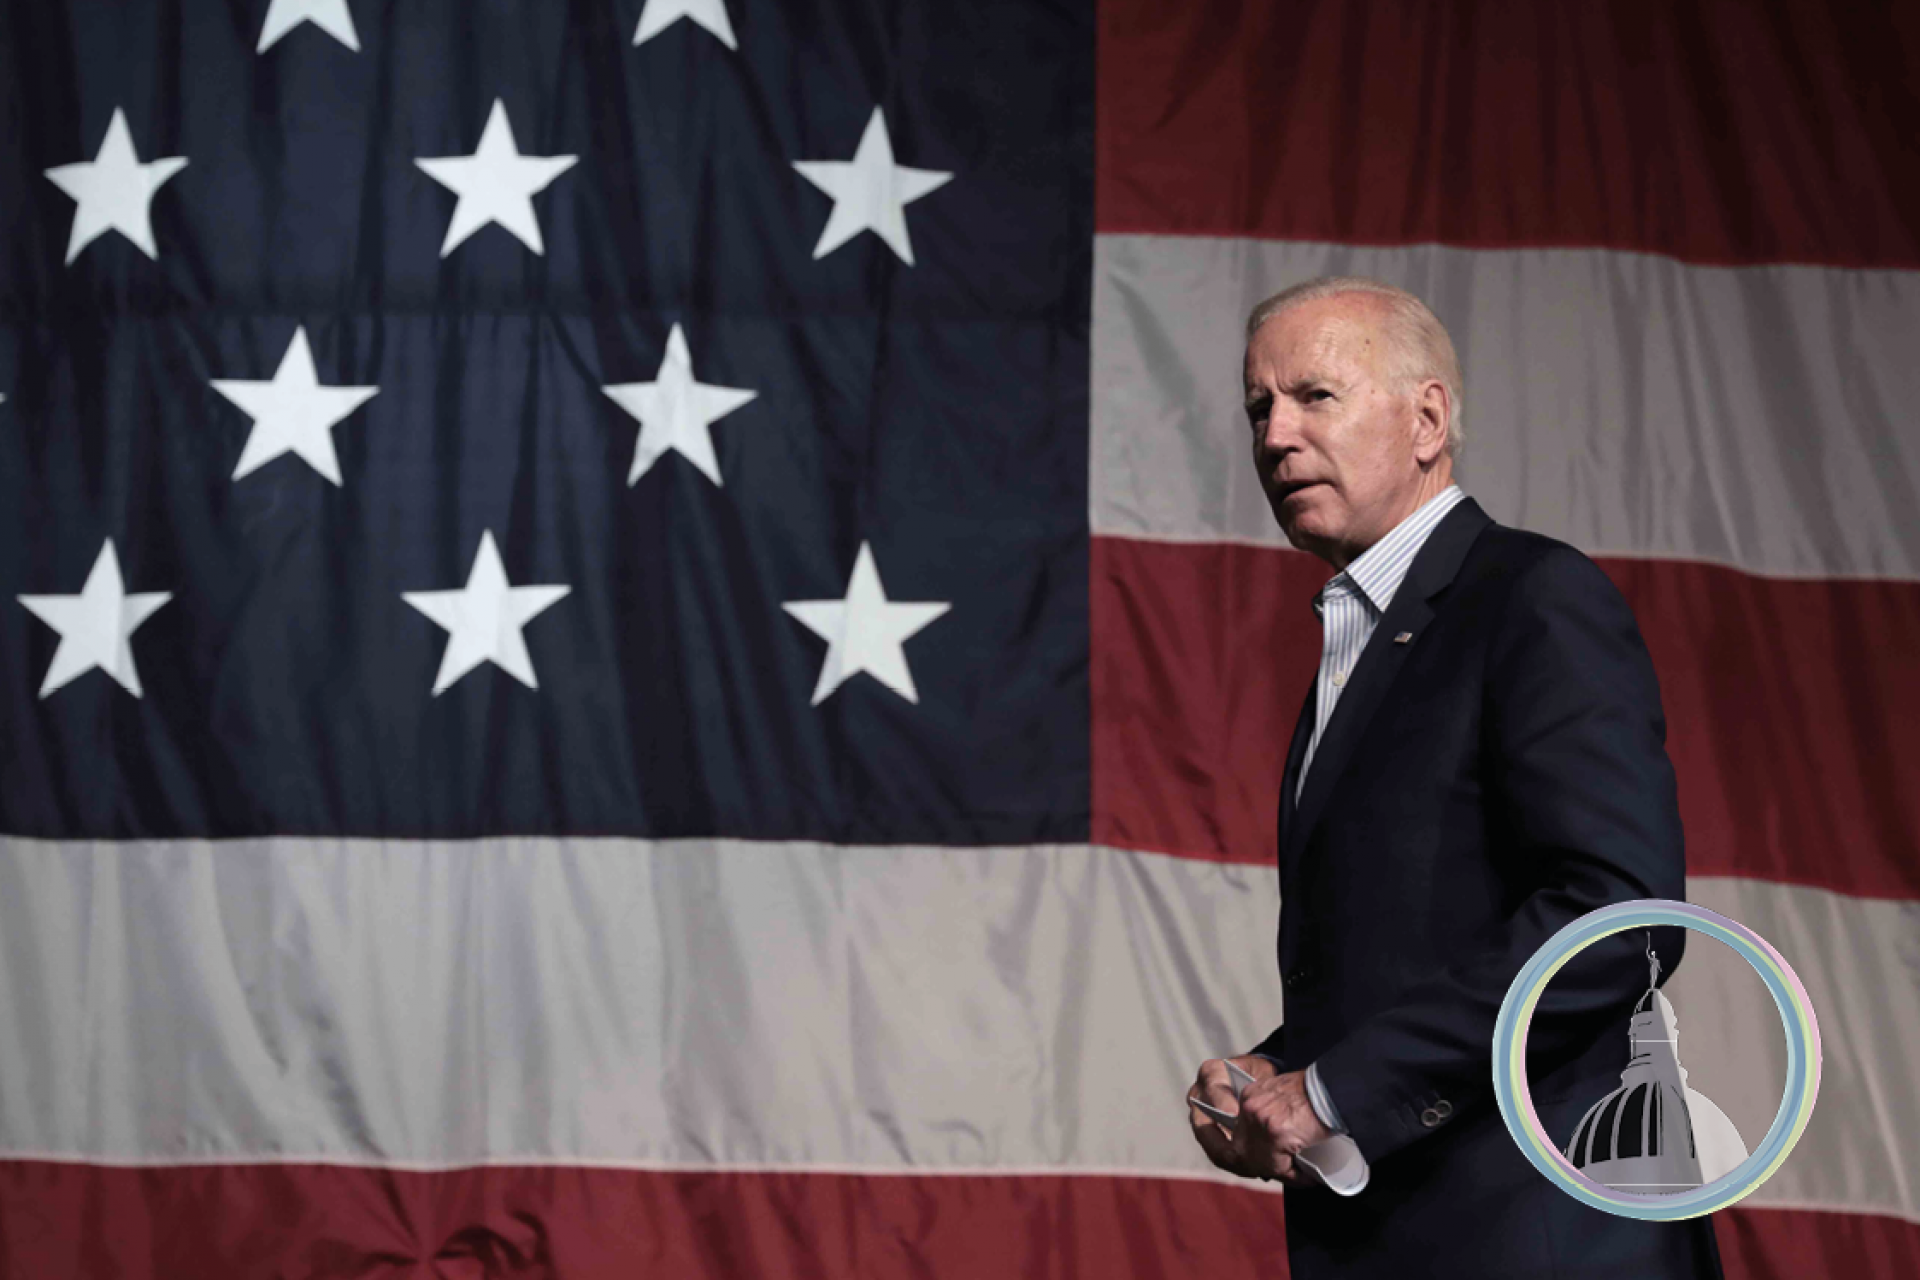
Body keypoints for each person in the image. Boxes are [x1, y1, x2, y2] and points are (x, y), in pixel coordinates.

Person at [1184, 278, 1725, 1278]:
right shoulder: (1366, 634)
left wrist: (1338, 1090)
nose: (1276, 435)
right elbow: (1423, 940)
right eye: (1260, 406)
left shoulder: (1531, 598)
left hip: (1539, 1235)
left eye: (1314, 395)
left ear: (1427, 418)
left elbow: (1619, 914)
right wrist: (1281, 1067)